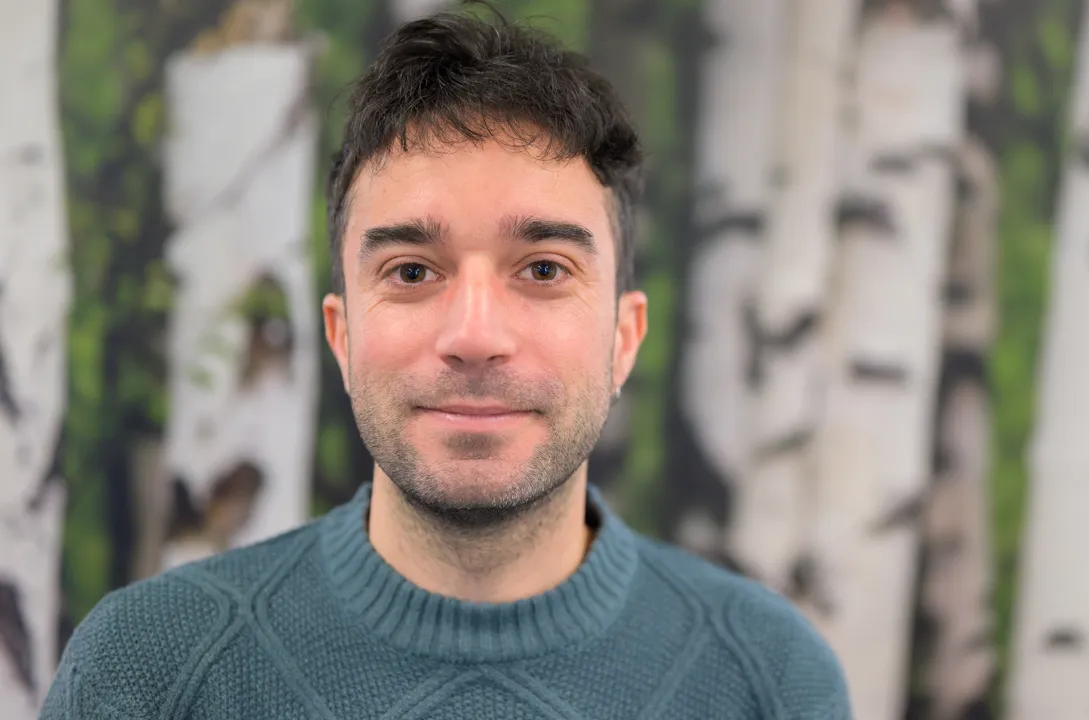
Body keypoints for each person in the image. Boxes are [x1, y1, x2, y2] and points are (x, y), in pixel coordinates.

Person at [41, 7, 853, 719]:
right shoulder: (146, 673)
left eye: (543, 269)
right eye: (411, 272)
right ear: (342, 337)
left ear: (624, 337)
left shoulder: (769, 677)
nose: (473, 333)